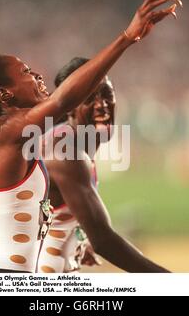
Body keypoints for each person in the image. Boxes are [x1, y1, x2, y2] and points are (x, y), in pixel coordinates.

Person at [0, 0, 181, 273]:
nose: (39, 76)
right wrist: (127, 38)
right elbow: (62, 101)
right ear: (5, 95)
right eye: (27, 72)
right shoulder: (10, 131)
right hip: (8, 278)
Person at [37, 57, 165, 273]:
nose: (102, 105)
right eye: (89, 98)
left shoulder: (74, 146)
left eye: (107, 94)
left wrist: (79, 238)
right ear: (69, 107)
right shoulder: (64, 153)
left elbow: (54, 215)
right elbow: (104, 240)